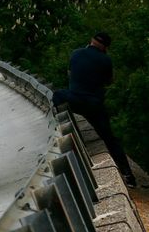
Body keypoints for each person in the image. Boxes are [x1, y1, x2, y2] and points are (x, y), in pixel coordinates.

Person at [52, 32, 137, 188]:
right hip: (93, 105)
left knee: (56, 95)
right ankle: (128, 175)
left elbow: (70, 74)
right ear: (105, 47)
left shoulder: (76, 53)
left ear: (91, 41)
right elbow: (109, 81)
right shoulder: (105, 60)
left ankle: (56, 131)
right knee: (110, 139)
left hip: (74, 99)